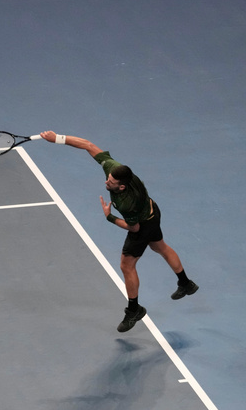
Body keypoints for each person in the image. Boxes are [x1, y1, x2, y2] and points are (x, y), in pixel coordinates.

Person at [40, 131, 198, 332]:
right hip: (153, 211)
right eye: (109, 178)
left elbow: (134, 228)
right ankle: (186, 283)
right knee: (160, 246)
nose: (107, 182)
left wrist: (110, 217)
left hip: (142, 223)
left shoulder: (126, 203)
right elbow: (88, 144)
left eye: (111, 183)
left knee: (127, 265)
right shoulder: (115, 169)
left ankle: (134, 310)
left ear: (122, 187)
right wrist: (58, 139)